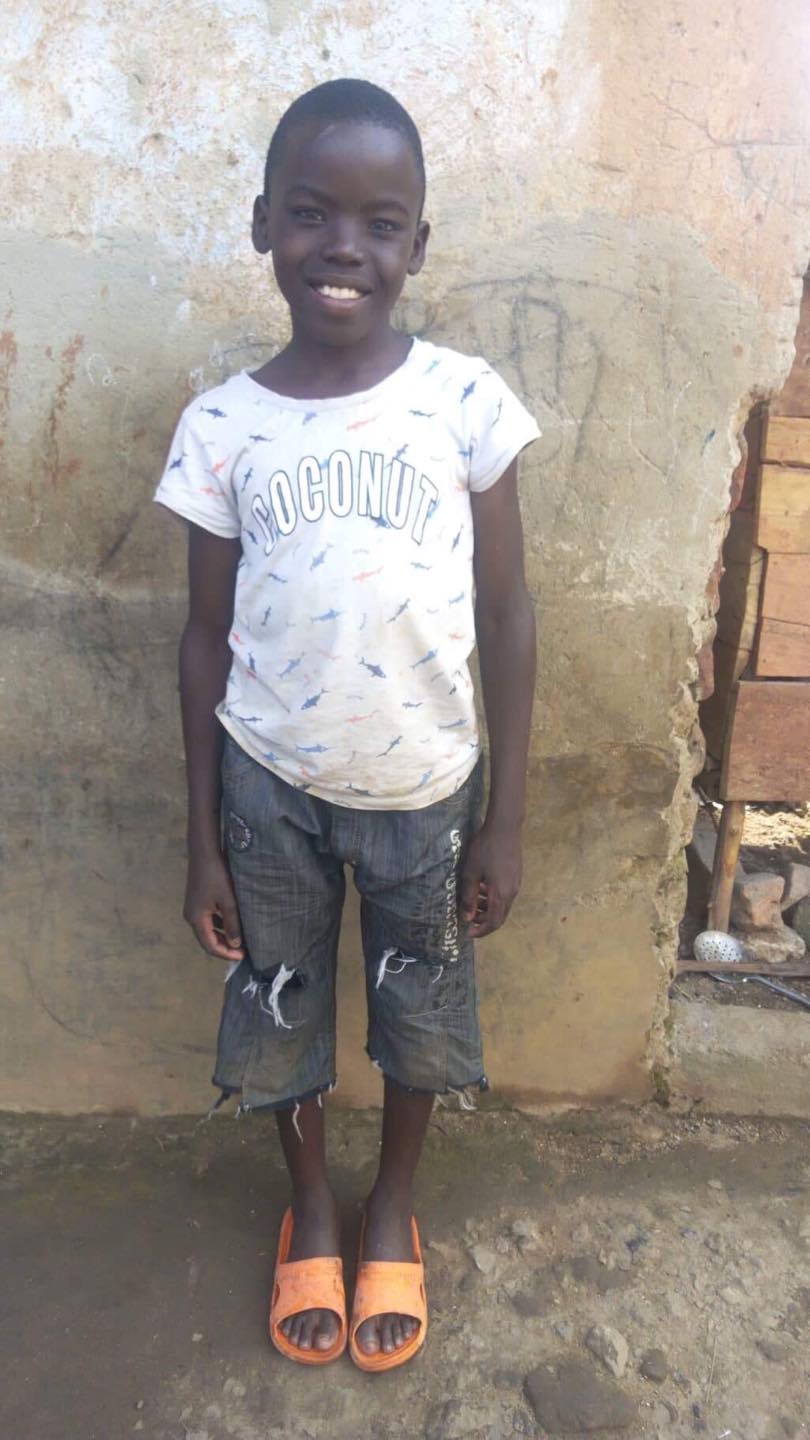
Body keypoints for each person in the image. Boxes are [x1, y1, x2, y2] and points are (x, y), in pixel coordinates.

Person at [155, 78, 539, 1372]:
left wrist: (506, 819)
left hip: (428, 790)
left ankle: (392, 1204)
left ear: (417, 245)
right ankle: (311, 1201)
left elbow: (507, 609)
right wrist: (202, 843)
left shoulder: (464, 402)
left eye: (381, 224)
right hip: (267, 786)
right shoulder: (223, 426)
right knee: (281, 1003)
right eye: (312, 213)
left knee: (420, 1006)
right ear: (263, 223)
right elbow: (203, 639)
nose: (344, 248)